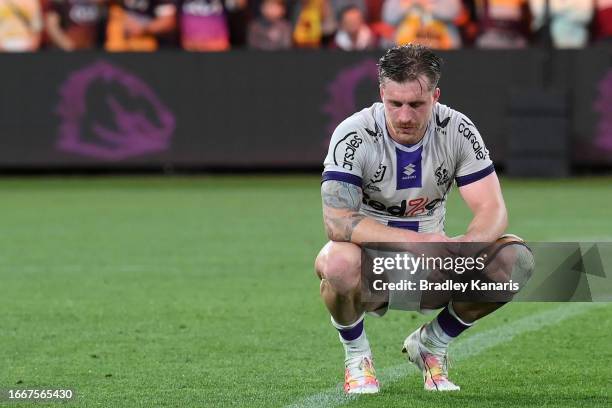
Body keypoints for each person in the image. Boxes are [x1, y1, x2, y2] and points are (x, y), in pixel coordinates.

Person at [315, 44, 531, 393]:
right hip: (371, 269)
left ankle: (432, 343)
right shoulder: (353, 134)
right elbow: (337, 221)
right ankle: (357, 358)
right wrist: (417, 244)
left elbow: (493, 209)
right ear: (381, 93)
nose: (404, 116)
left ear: (435, 96)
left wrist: (464, 247)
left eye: (416, 104)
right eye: (395, 103)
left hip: (431, 271)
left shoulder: (457, 129)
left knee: (514, 260)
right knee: (337, 261)